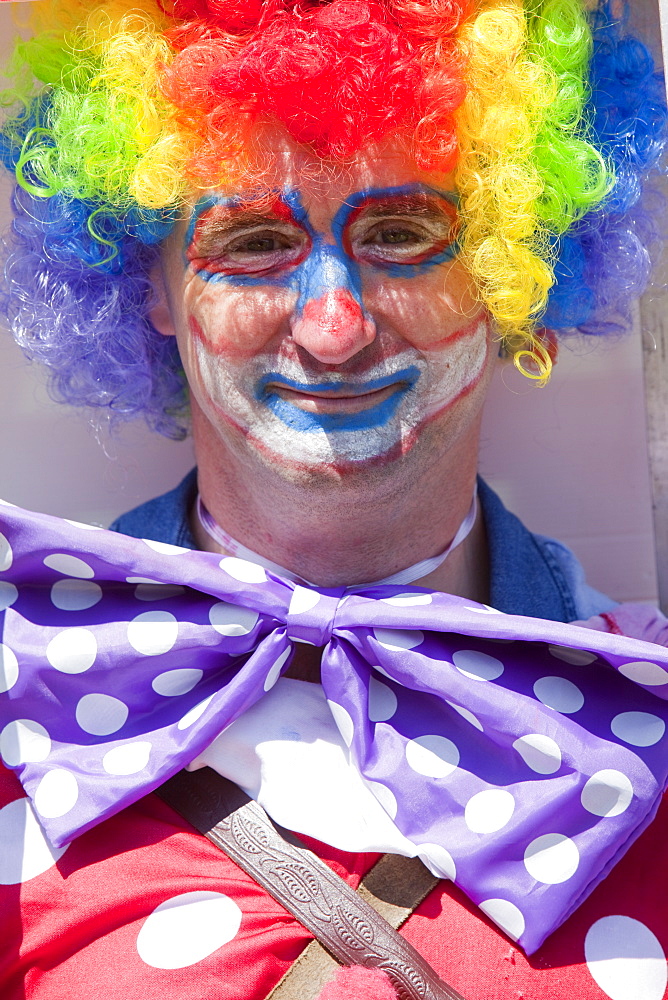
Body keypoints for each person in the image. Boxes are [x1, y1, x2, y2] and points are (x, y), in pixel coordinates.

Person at [0, 0, 666, 998]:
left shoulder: (643, 714)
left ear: (510, 274)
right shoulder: (23, 704)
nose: (332, 327)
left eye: (402, 231)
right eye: (254, 240)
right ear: (152, 281)